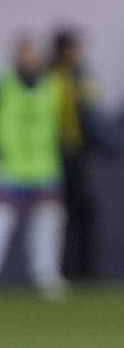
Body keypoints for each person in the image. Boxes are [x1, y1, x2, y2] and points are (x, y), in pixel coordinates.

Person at [0, 35, 66, 301]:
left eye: (33, 53)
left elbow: (58, 122)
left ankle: (46, 276)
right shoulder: (1, 82)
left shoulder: (51, 84)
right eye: (25, 53)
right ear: (16, 55)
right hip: (11, 165)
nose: (30, 58)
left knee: (48, 222)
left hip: (43, 164)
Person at [49, 27, 113, 281]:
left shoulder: (80, 75)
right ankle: (64, 273)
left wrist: (107, 146)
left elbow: (91, 116)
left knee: (84, 213)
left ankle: (85, 274)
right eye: (74, 47)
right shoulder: (53, 78)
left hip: (78, 155)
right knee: (62, 217)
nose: (78, 52)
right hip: (57, 157)